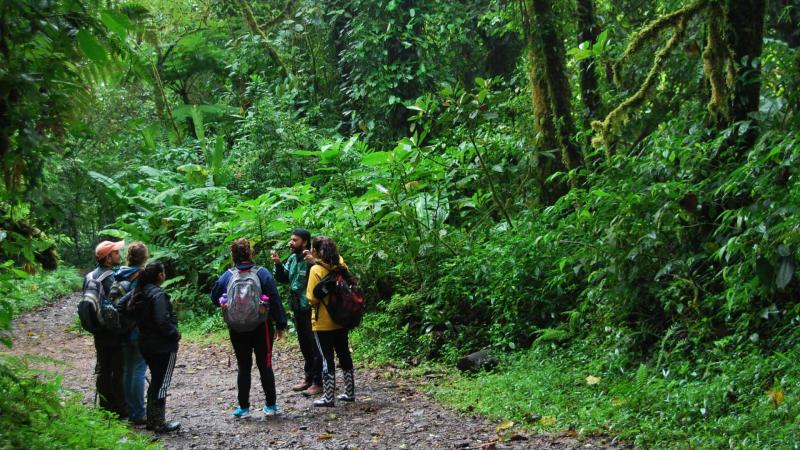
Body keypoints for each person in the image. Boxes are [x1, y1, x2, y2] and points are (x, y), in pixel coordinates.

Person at [211, 238, 288, 418]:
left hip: (237, 328)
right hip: (262, 326)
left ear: (233, 256)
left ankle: (244, 408)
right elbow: (275, 300)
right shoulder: (263, 273)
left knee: (244, 366)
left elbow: (214, 298)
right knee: (265, 365)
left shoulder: (227, 275)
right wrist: (281, 324)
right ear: (250, 253)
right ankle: (270, 406)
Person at [128, 261, 181, 433]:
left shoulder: (139, 292)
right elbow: (162, 320)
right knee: (162, 383)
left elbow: (123, 307)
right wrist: (175, 333)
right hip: (163, 346)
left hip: (146, 343)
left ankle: (153, 419)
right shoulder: (158, 295)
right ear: (160, 275)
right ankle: (158, 421)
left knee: (156, 381)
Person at [271, 228, 322, 396]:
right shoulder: (293, 259)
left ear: (305, 242)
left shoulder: (311, 259)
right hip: (297, 308)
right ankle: (308, 377)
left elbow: (323, 276)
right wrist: (278, 264)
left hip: (311, 308)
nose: (291, 243)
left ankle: (318, 381)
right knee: (304, 345)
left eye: (295, 240)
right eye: (291, 240)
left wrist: (314, 263)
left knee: (315, 346)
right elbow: (285, 278)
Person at [306, 236, 356, 407]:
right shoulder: (341, 265)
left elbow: (312, 298)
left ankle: (328, 397)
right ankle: (349, 393)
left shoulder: (316, 270)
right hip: (342, 318)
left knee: (326, 357)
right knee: (344, 353)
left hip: (323, 321)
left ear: (315, 251)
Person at [84, 240, 127, 418]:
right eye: (116, 252)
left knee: (103, 367)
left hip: (98, 330)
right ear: (108, 258)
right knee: (117, 369)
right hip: (113, 331)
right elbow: (119, 305)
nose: (119, 255)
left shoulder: (89, 276)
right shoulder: (110, 278)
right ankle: (118, 409)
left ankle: (105, 406)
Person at [115, 241, 149, 425]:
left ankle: (129, 409)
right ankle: (138, 412)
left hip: (122, 327)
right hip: (136, 328)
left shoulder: (119, 274)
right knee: (138, 369)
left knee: (128, 369)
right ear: (144, 257)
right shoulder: (141, 276)